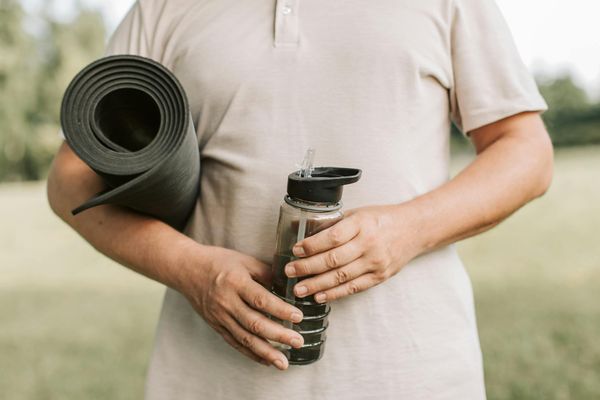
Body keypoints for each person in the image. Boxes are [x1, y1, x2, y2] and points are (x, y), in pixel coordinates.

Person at [47, 0, 553, 398]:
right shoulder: (162, 8)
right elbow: (70, 179)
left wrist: (409, 229)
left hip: (413, 375)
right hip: (209, 382)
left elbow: (526, 152)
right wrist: (190, 269)